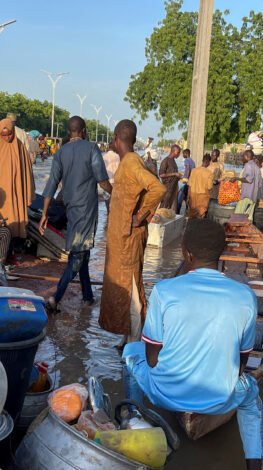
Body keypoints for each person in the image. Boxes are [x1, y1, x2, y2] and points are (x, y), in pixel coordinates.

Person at [121, 219, 262, 469]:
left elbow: (152, 360)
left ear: (186, 253)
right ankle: (254, 465)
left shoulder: (164, 291)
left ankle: (135, 420)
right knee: (251, 397)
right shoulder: (245, 296)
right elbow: (240, 365)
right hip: (219, 398)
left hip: (165, 393)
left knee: (130, 353)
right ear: (221, 253)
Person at [100, 119, 165, 344]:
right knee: (125, 288)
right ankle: (129, 336)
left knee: (132, 291)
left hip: (128, 239)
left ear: (117, 140)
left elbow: (158, 188)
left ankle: (135, 343)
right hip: (122, 239)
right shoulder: (128, 162)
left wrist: (140, 217)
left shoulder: (131, 164)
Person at [40, 116, 112, 312]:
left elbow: (51, 185)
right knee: (78, 256)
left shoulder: (60, 152)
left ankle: (88, 296)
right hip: (86, 210)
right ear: (83, 130)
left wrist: (44, 213)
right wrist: (116, 193)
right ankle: (56, 297)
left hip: (70, 208)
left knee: (82, 252)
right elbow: (102, 180)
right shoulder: (92, 148)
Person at [0, 118, 35, 240]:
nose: (7, 138)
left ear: (14, 132)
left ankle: (16, 244)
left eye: (9, 134)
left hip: (17, 193)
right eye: (4, 135)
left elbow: (27, 173)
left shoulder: (20, 148)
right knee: (0, 227)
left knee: (16, 222)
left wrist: (26, 192)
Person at [233, 150, 262, 220]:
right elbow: (260, 184)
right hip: (253, 197)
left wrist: (237, 178)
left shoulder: (248, 165)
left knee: (237, 217)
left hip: (246, 196)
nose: (242, 158)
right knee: (248, 219)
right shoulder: (257, 167)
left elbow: (249, 180)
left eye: (243, 156)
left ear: (246, 156)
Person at [187, 154, 213, 219]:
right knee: (200, 215)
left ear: (202, 161)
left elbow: (189, 185)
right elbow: (209, 187)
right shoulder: (209, 173)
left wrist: (188, 197)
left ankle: (190, 227)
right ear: (209, 162)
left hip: (193, 196)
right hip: (203, 197)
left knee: (192, 215)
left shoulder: (194, 171)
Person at [158, 145, 182, 210]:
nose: (179, 154)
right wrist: (174, 174)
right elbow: (161, 175)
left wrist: (179, 177)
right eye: (178, 152)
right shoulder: (165, 161)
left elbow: (174, 174)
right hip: (167, 189)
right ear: (174, 151)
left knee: (172, 209)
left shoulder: (173, 161)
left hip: (174, 188)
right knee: (164, 207)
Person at [102, 140, 120, 214]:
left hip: (107, 180)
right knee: (114, 196)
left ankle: (107, 210)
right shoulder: (117, 156)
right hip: (115, 179)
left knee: (106, 197)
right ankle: (113, 210)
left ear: (108, 147)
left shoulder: (104, 156)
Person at [178, 149, 196, 214]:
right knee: (187, 196)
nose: (183, 155)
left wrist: (186, 178)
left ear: (186, 153)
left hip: (186, 180)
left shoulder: (187, 160)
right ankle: (187, 209)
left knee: (180, 195)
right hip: (191, 181)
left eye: (183, 154)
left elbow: (188, 169)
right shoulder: (193, 161)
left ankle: (177, 210)